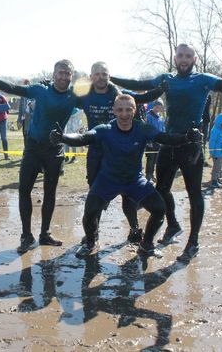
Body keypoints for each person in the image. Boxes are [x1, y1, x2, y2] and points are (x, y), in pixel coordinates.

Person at [110, 44, 222, 262]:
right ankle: (173, 224)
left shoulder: (203, 79)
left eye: (188, 56)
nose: (184, 59)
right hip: (169, 142)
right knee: (161, 190)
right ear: (175, 58)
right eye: (180, 56)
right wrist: (111, 79)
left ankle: (193, 241)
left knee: (194, 193)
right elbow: (139, 87)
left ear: (194, 58)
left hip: (191, 145)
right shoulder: (166, 79)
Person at [50, 94, 203, 258]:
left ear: (134, 110)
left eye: (128, 109)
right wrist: (62, 137)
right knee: (90, 212)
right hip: (108, 180)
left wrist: (187, 137)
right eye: (120, 110)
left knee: (159, 209)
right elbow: (82, 138)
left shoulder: (142, 128)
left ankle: (146, 244)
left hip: (134, 180)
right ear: (114, 111)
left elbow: (165, 138)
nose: (124, 114)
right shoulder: (105, 129)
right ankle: (90, 241)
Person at [0, 60, 78, 253]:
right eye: (60, 72)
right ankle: (26, 235)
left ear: (71, 76)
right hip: (33, 148)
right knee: (24, 190)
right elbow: (13, 88)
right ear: (53, 74)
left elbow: (100, 96)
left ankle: (45, 234)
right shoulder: (40, 90)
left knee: (50, 193)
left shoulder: (74, 95)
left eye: (67, 73)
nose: (63, 76)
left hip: (55, 150)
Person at [77, 61, 166, 244]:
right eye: (97, 74)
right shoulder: (84, 94)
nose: (100, 77)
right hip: (97, 150)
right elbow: (63, 97)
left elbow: (142, 98)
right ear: (91, 76)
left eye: (104, 73)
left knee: (128, 192)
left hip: (123, 148)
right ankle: (93, 233)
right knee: (96, 195)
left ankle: (134, 228)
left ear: (109, 76)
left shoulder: (117, 93)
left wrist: (161, 89)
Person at [145, 99, 165, 182]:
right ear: (154, 106)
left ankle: (152, 175)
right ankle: (148, 176)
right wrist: (148, 142)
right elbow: (146, 129)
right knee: (150, 159)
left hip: (159, 142)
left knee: (156, 160)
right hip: (151, 142)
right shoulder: (148, 116)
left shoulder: (161, 117)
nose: (158, 108)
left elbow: (163, 128)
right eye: (157, 106)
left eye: (160, 107)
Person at [208, 113, 222, 188]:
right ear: (220, 122)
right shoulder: (215, 130)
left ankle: (217, 179)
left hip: (221, 152)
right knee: (216, 168)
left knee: (219, 167)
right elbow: (212, 141)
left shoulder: (221, 130)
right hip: (217, 153)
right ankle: (214, 182)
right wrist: (211, 152)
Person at [17, 79, 35, 148]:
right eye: (25, 84)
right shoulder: (22, 95)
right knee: (25, 135)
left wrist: (32, 105)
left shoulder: (33, 95)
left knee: (30, 135)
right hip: (24, 118)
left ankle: (31, 152)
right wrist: (19, 120)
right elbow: (20, 108)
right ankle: (26, 151)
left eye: (28, 84)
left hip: (31, 118)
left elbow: (35, 107)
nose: (27, 86)